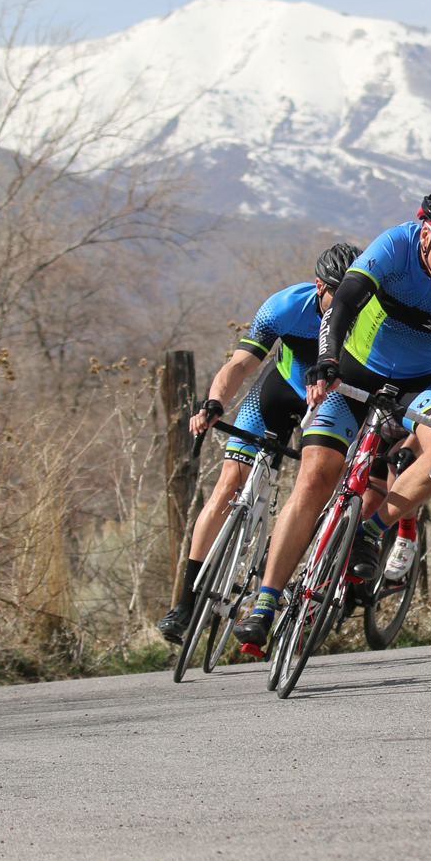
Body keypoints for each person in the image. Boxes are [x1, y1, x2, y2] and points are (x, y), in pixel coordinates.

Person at [233, 186, 431, 651]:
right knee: (316, 477)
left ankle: (368, 534)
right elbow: (345, 303)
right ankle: (265, 603)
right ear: (426, 232)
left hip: (421, 382)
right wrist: (328, 360)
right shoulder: (394, 245)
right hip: (355, 368)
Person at [156, 242, 360, 645]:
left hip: (332, 397)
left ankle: (279, 553)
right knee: (229, 483)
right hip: (282, 388)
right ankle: (186, 602)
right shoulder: (285, 306)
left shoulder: (367, 317)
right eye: (338, 293)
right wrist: (215, 401)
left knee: (313, 479)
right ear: (319, 286)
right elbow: (241, 363)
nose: (347, 305)